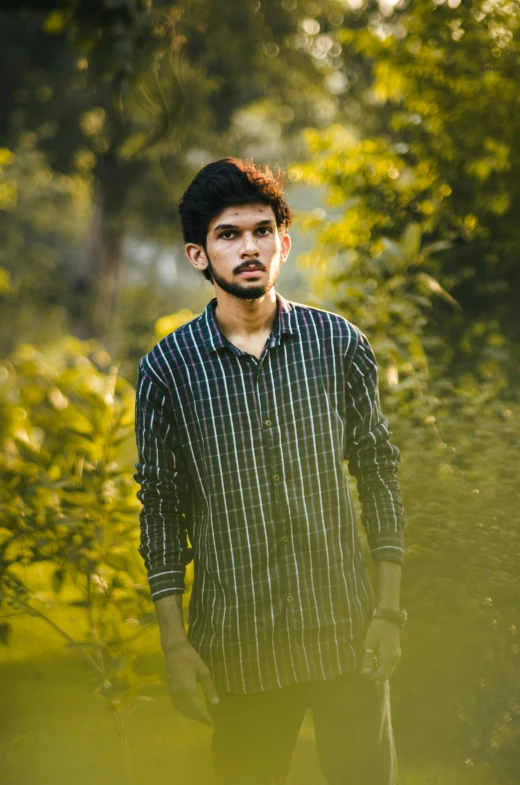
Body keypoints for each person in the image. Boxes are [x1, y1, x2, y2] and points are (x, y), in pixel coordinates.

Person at [134, 158, 407, 785]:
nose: (249, 247)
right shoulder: (167, 371)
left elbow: (379, 474)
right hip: (237, 650)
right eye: (228, 234)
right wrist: (175, 645)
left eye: (262, 231)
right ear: (199, 255)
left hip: (348, 637)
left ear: (284, 243)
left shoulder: (338, 344)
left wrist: (389, 613)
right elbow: (162, 508)